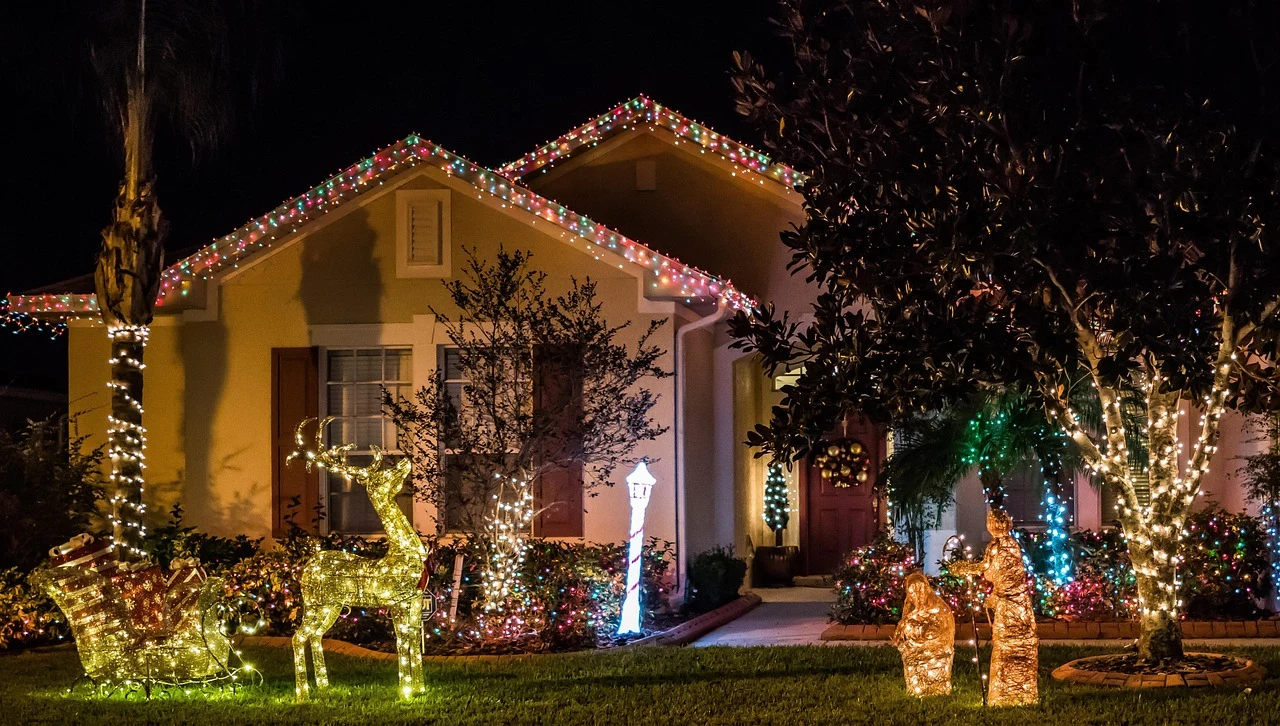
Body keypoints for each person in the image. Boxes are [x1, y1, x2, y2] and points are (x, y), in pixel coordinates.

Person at [951, 508, 1039, 706]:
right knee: (1019, 644)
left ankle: (1007, 693)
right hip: (1020, 604)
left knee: (1007, 645)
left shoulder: (997, 546)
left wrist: (963, 568)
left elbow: (986, 568)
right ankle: (1020, 691)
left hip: (1008, 605)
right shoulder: (1013, 545)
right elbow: (1007, 576)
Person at [893, 570, 955, 696]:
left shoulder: (938, 608)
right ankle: (918, 687)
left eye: (920, 591)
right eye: (913, 593)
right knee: (910, 655)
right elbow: (904, 628)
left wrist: (923, 629)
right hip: (917, 645)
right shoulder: (911, 610)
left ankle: (937, 688)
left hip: (936, 646)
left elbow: (941, 630)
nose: (917, 596)